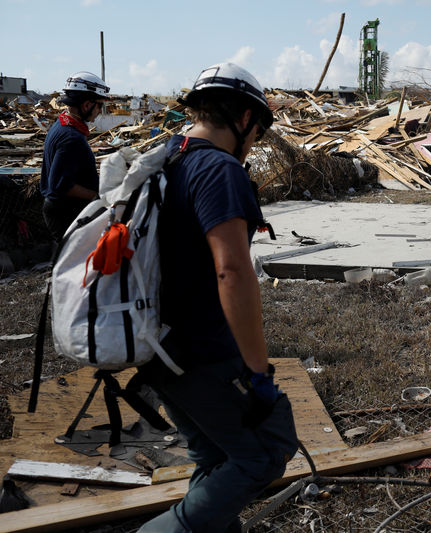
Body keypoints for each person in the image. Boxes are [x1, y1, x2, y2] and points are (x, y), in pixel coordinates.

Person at [137, 63, 298, 533]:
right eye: (260, 131)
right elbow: (232, 270)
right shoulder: (218, 169)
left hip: (161, 348)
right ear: (244, 117)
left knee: (215, 455)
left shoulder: (167, 156)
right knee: (264, 455)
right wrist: (257, 371)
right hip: (206, 352)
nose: (256, 142)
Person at [40, 72, 110, 241]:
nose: (100, 111)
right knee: (72, 263)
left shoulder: (62, 124)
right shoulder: (71, 138)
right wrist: (98, 197)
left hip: (60, 210)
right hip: (65, 212)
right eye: (99, 105)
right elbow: (60, 186)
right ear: (86, 105)